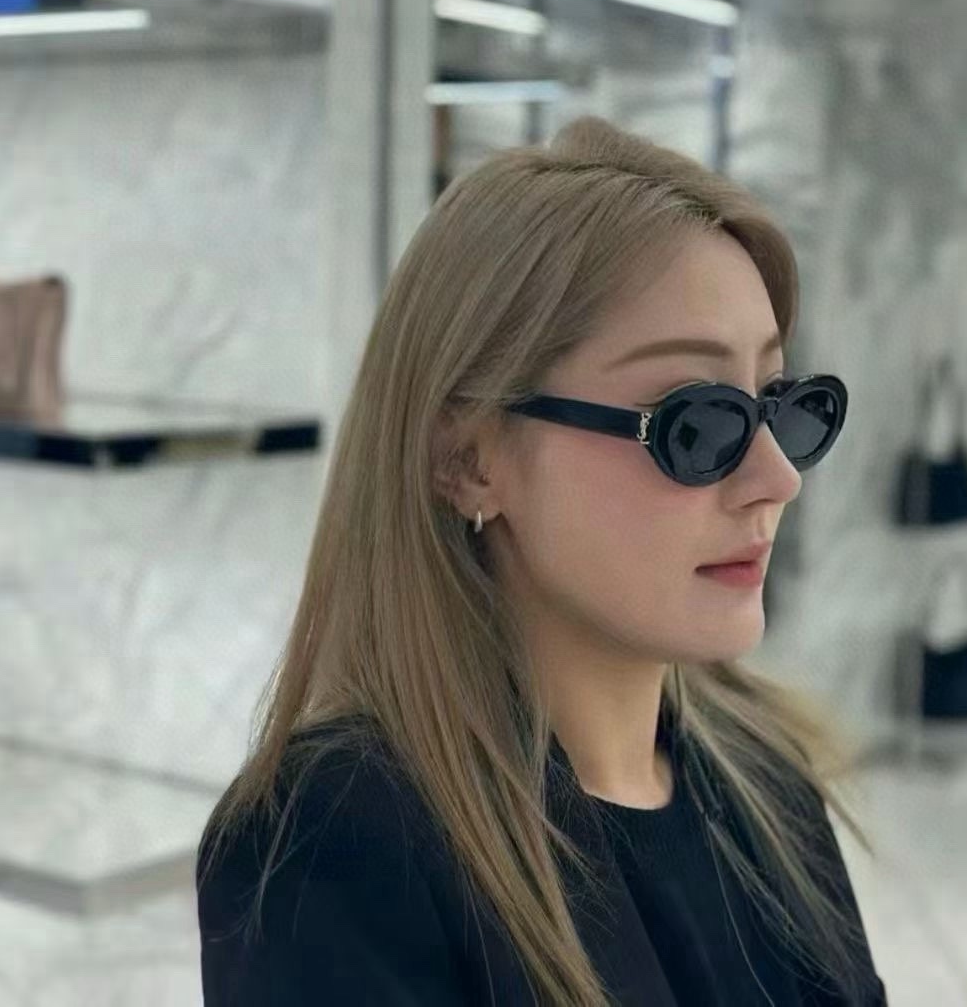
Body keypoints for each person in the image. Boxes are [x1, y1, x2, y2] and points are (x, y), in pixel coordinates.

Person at [196, 116, 888, 1006]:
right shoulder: (332, 839)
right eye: (697, 423)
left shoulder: (768, 777)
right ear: (468, 459)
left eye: (781, 407)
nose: (777, 479)